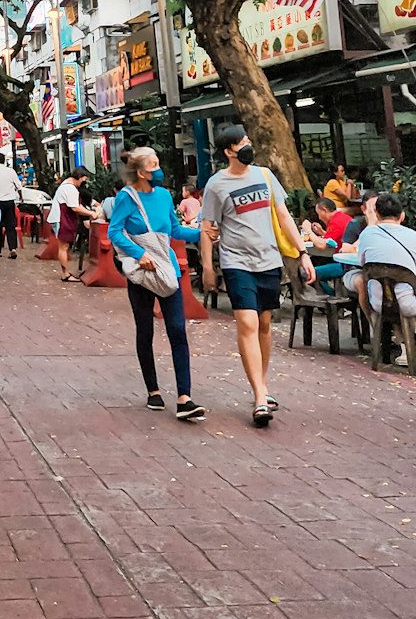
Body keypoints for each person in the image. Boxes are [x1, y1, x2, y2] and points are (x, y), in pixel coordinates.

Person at [200, 126, 315, 428]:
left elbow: (284, 216)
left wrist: (302, 253)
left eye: (249, 142)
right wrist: (208, 267)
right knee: (248, 323)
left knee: (264, 324)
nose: (248, 147)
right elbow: (207, 227)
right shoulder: (216, 185)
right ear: (229, 151)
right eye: (243, 143)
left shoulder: (265, 176)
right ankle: (260, 397)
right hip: (237, 262)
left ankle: (261, 385)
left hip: (269, 260)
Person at [109, 147, 205, 421]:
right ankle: (153, 390)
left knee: (177, 329)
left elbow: (173, 230)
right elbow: (115, 231)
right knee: (145, 330)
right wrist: (140, 255)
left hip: (167, 271)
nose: (159, 169)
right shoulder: (126, 198)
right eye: (154, 165)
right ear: (141, 172)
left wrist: (202, 234)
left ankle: (184, 398)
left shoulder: (164, 196)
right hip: (141, 275)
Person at [347, 194, 416, 361]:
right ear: (402, 216)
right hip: (410, 305)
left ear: (376, 215)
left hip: (378, 303)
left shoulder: (367, 234)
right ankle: (405, 345)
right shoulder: (413, 236)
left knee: (356, 278)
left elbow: (362, 263)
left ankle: (392, 340)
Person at [47, 172, 96, 281]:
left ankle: (65, 273)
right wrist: (90, 213)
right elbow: (75, 207)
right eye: (84, 180)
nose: (83, 183)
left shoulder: (66, 185)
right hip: (61, 219)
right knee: (63, 247)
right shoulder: (70, 189)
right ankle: (65, 274)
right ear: (79, 178)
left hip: (59, 218)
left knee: (63, 247)